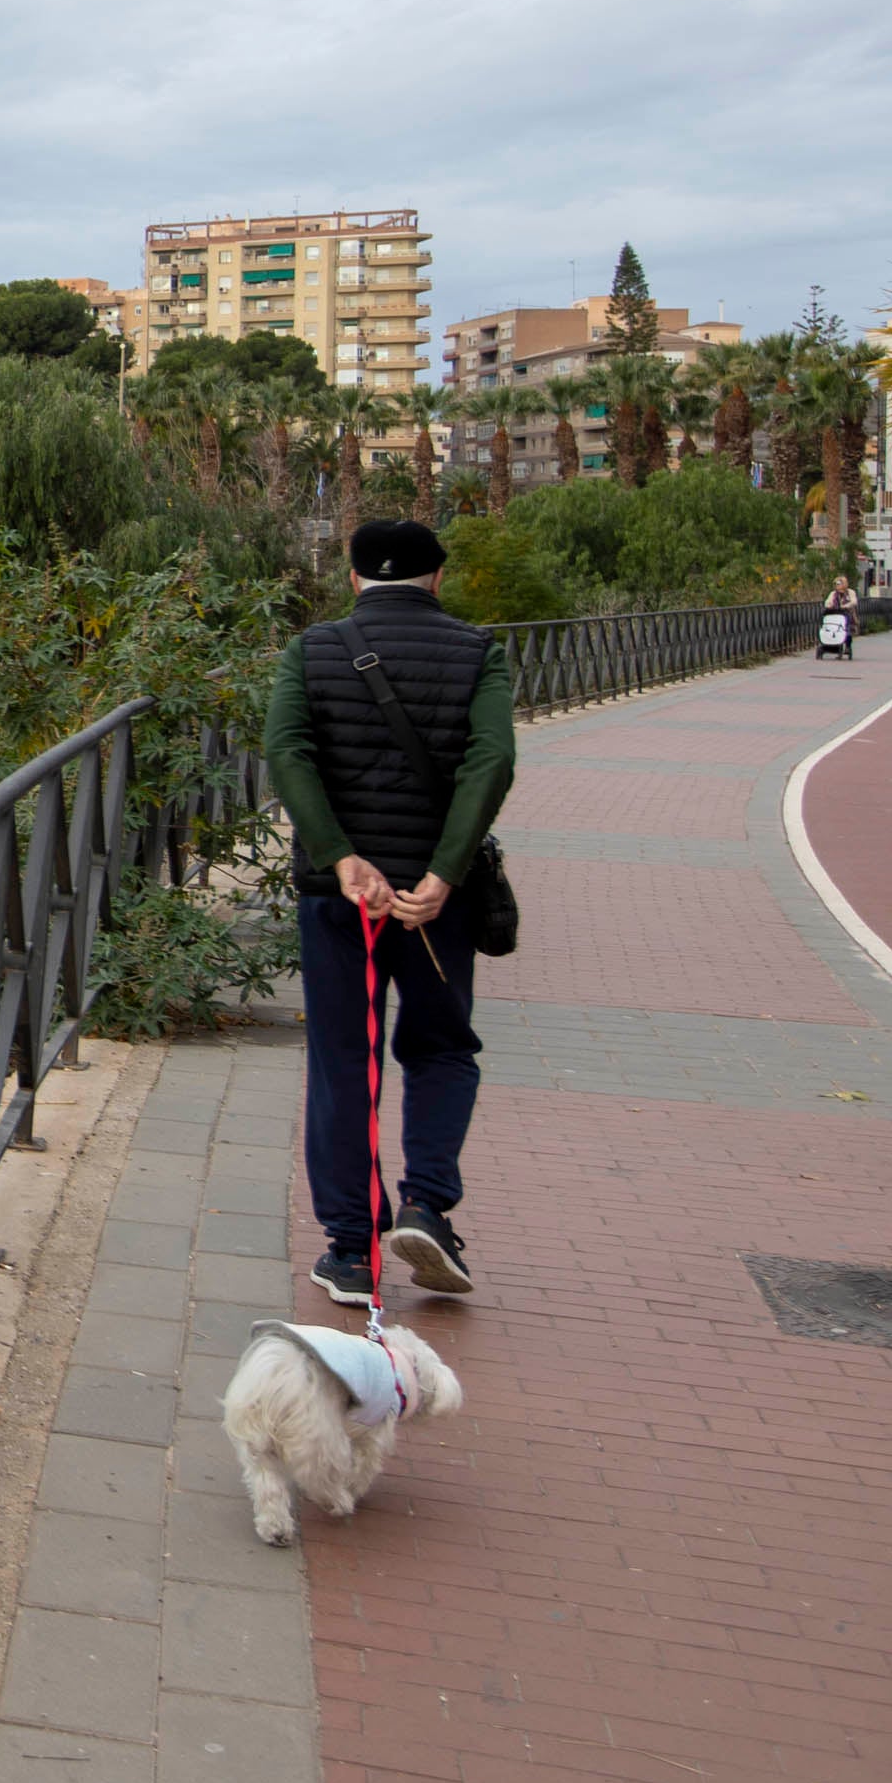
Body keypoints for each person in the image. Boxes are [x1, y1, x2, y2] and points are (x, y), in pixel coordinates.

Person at [262, 517, 516, 1308]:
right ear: (439, 578)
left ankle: (349, 1250)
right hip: (435, 904)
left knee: (346, 1061)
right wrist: (444, 872)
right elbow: (493, 759)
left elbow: (288, 752)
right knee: (441, 1048)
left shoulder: (313, 649)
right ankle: (427, 1207)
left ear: (353, 577)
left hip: (343, 901)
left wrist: (340, 858)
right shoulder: (480, 653)